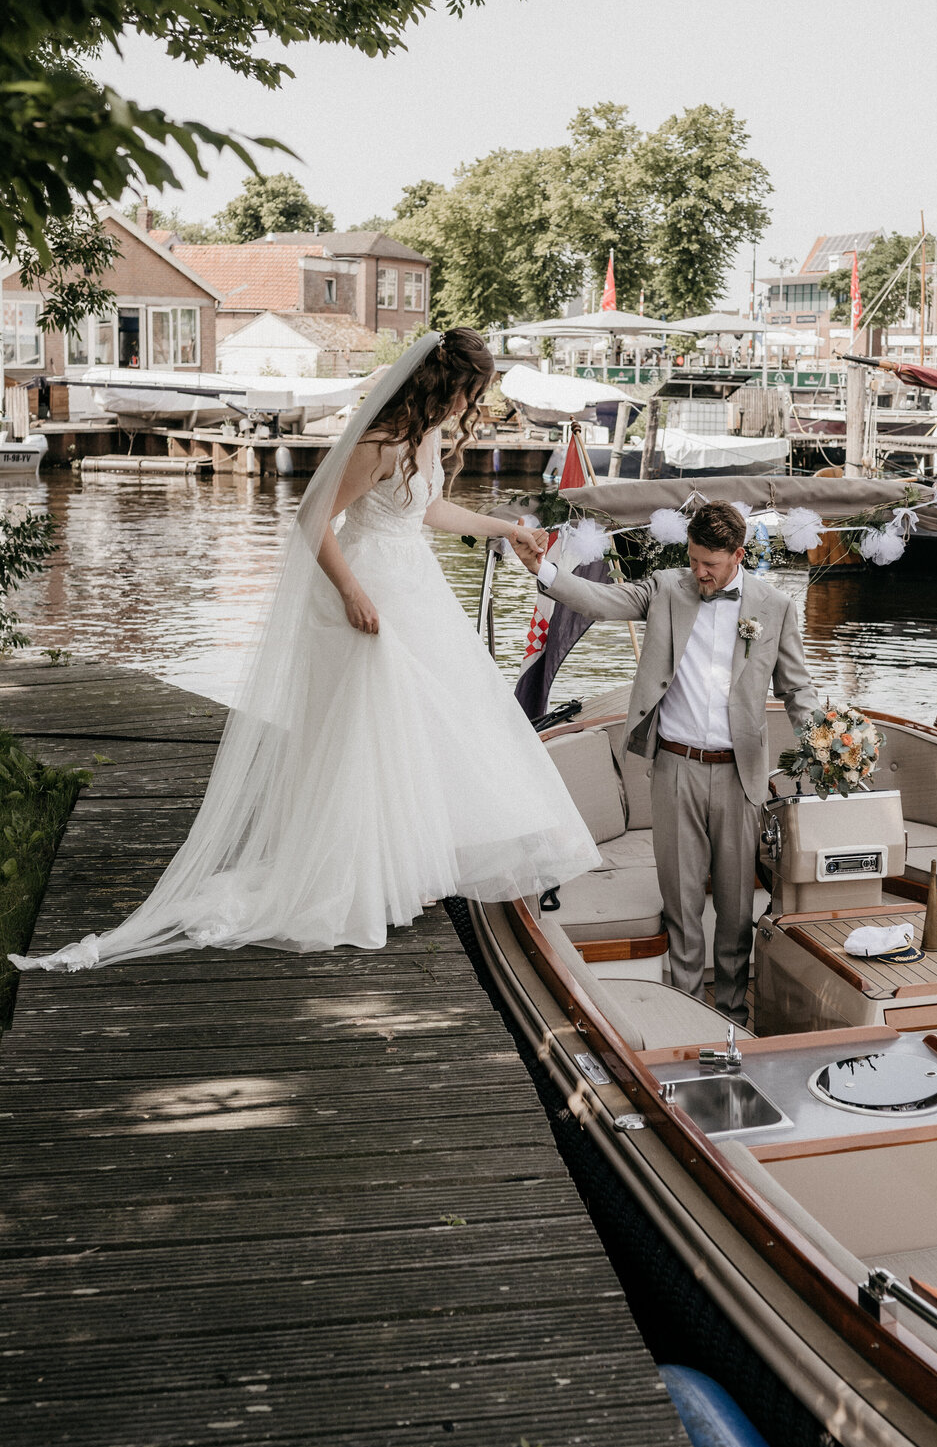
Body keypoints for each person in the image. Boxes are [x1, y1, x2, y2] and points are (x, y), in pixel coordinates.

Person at [11, 329, 598, 973]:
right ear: (441, 384)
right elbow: (312, 519)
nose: (470, 404)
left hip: (415, 587)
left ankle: (400, 866)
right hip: (370, 586)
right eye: (467, 391)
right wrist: (351, 592)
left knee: (419, 728)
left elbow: (427, 512)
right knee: (366, 730)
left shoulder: (425, 436)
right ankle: (352, 877)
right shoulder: (378, 441)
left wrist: (509, 528)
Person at [517, 501, 817, 1024]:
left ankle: (730, 1015)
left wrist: (826, 742)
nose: (700, 572)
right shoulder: (665, 587)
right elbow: (600, 600)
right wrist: (543, 570)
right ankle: (686, 1015)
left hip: (739, 777)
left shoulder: (774, 606)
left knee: (735, 911)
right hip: (674, 769)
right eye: (694, 559)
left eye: (711, 565)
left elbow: (797, 689)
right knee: (680, 907)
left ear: (738, 556)